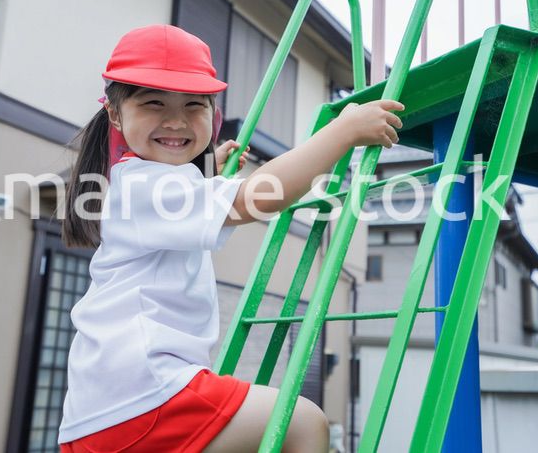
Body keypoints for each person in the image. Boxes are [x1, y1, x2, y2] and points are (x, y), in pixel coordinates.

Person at [58, 24, 404, 453]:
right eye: (153, 103)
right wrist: (343, 133)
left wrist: (206, 176)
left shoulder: (141, 181)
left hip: (112, 405)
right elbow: (257, 198)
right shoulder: (146, 186)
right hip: (143, 392)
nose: (176, 120)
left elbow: (183, 204)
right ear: (115, 114)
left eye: (194, 105)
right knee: (303, 423)